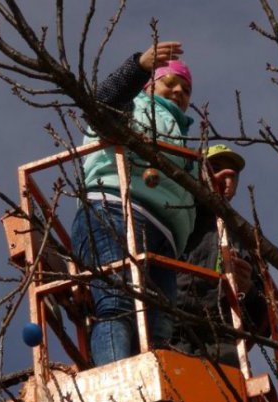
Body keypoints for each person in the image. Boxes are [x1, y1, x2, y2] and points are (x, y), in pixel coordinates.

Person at [71, 42, 198, 366]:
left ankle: (157, 400)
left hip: (165, 238)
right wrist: (138, 66)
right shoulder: (137, 108)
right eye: (171, 82)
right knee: (116, 304)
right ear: (149, 84)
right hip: (116, 210)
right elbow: (102, 105)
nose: (179, 92)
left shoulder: (185, 144)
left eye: (186, 90)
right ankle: (117, 391)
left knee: (159, 333)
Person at [172, 144, 270, 367]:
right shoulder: (176, 215)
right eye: (215, 168)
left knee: (228, 372)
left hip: (220, 331)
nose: (225, 179)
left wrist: (248, 290)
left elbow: (265, 319)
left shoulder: (245, 237)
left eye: (232, 175)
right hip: (172, 322)